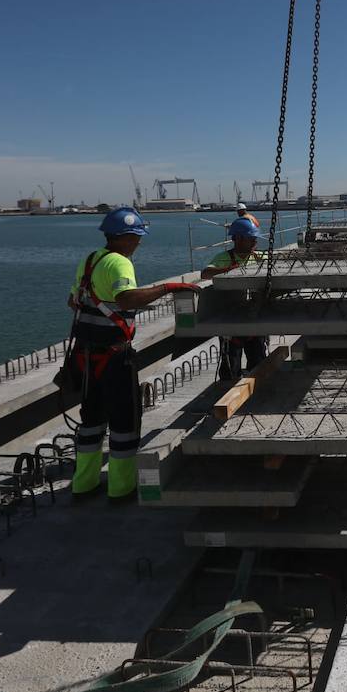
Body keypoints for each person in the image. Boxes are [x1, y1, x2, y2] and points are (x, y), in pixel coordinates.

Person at [67, 206, 194, 501]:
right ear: (123, 238)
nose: (139, 243)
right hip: (114, 357)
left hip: (85, 356)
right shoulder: (120, 263)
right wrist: (167, 288)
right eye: (136, 238)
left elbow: (72, 301)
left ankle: (83, 485)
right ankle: (121, 488)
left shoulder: (89, 260)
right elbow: (126, 300)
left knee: (91, 420)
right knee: (124, 422)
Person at [201, 216, 269, 381]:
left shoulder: (259, 257)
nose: (254, 242)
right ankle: (228, 389)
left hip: (254, 319)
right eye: (251, 238)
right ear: (237, 239)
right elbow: (205, 273)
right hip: (231, 320)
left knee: (258, 361)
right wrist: (230, 269)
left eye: (255, 238)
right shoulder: (224, 258)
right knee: (231, 366)